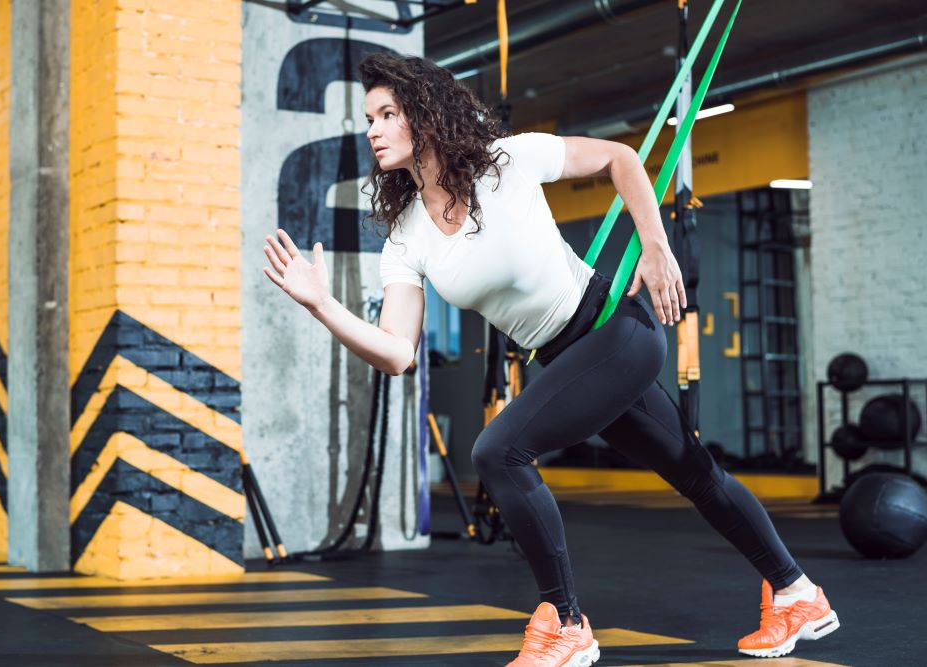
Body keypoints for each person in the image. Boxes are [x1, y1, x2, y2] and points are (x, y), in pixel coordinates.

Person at [262, 53, 839, 667]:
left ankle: (566, 624)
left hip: (616, 331)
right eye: (369, 118)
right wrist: (323, 304)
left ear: (424, 115)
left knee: (497, 451)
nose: (373, 129)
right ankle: (797, 593)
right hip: (569, 360)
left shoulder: (506, 162)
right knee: (695, 473)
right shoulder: (406, 236)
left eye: (387, 113)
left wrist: (656, 246)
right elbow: (398, 353)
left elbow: (621, 158)